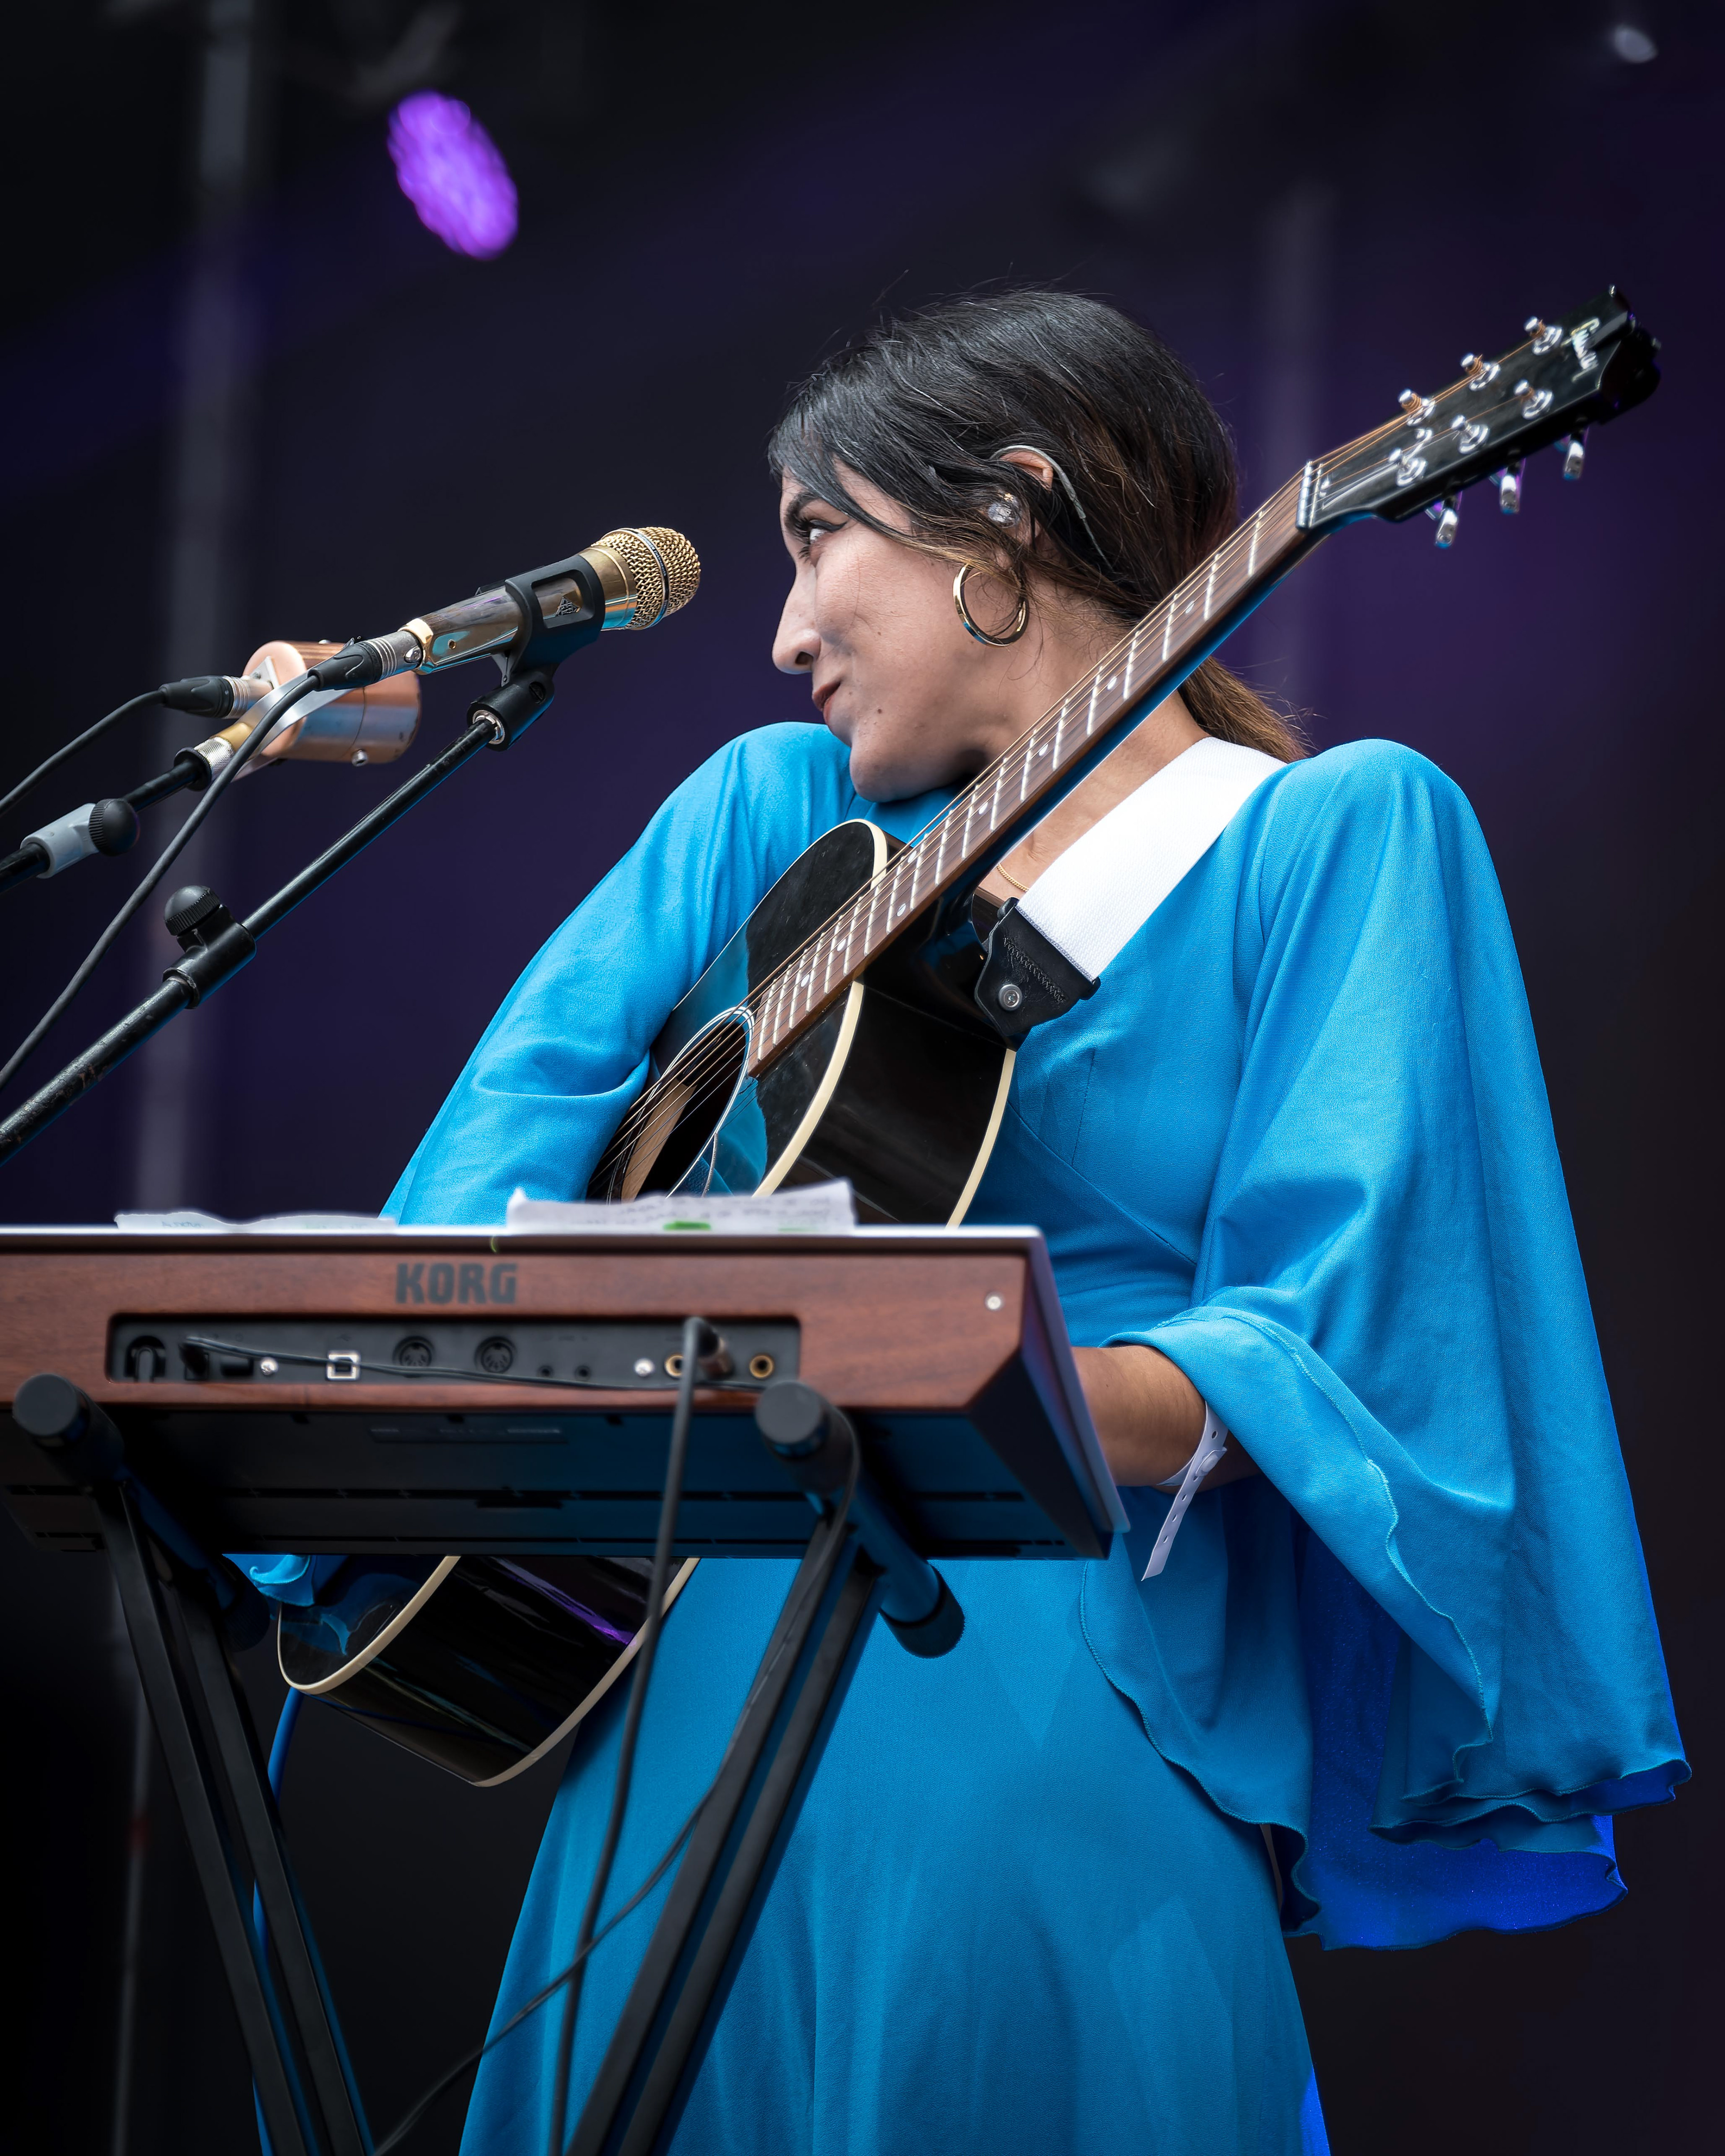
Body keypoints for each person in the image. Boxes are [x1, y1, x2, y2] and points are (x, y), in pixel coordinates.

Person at [331, 292, 1684, 2153]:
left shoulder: (1327, 837)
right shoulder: (771, 817)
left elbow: (1341, 1374)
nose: (786, 630)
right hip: (674, 1694)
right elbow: (473, 1201)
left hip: (1041, 1686)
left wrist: (921, 1350)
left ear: (1005, 517)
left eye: (820, 534)